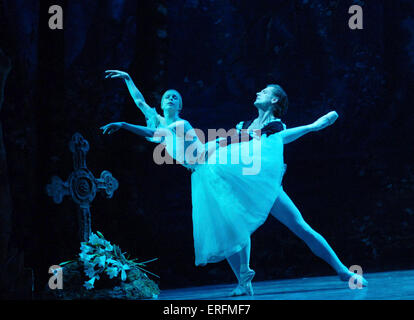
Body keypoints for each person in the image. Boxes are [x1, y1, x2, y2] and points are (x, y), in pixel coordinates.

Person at [101, 70, 367, 296]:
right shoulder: (244, 125)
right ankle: (244, 279)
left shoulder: (268, 124)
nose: (257, 93)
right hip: (218, 172)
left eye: (263, 91)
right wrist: (127, 78)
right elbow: (139, 102)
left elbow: (280, 137)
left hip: (238, 173)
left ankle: (342, 271)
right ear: (160, 104)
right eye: (166, 96)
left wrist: (312, 126)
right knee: (227, 224)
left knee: (295, 224)